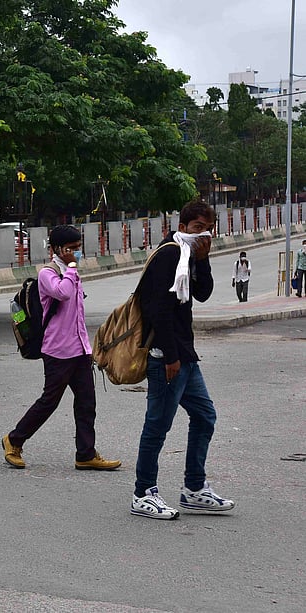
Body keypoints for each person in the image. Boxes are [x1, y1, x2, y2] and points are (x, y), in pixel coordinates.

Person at [131, 201, 235, 520]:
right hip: (167, 356)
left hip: (185, 357)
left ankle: (194, 488)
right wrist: (170, 356)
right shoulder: (169, 255)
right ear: (183, 225)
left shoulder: (190, 255)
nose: (201, 233)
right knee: (158, 426)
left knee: (205, 416)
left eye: (207, 228)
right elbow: (157, 309)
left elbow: (202, 294)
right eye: (196, 227)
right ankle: (143, 492)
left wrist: (203, 260)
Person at [1, 225, 121, 471]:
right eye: (71, 249)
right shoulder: (49, 273)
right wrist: (72, 269)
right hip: (57, 350)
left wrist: (88, 347)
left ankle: (85, 454)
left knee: (87, 402)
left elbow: (77, 312)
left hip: (79, 349)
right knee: (49, 401)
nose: (76, 254)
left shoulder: (71, 272)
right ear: (56, 249)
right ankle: (13, 440)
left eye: (78, 249)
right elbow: (63, 294)